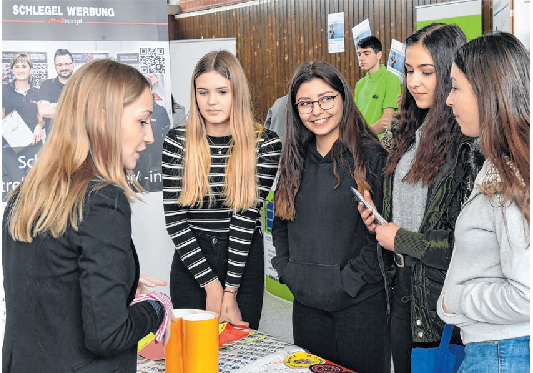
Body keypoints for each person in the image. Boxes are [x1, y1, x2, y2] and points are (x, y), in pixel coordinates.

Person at [2, 59, 173, 373]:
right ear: (103, 119)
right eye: (142, 121)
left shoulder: (28, 191)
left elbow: (50, 286)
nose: (149, 137)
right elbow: (108, 336)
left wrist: (121, 280)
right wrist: (156, 307)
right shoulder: (100, 199)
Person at [357, 23, 484, 373]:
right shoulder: (404, 129)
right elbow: (396, 198)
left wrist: (402, 239)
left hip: (441, 299)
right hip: (399, 288)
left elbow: (466, 247)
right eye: (410, 71)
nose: (414, 82)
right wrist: (374, 209)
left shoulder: (469, 145)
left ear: (451, 72)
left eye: (426, 72)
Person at [272, 61, 389, 373]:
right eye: (305, 103)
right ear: (295, 110)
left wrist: (348, 282)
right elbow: (280, 224)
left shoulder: (372, 157)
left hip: (360, 307)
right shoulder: (293, 160)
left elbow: (382, 234)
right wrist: (289, 271)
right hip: (307, 308)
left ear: (344, 98)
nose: (317, 110)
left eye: (326, 98)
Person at [162, 50, 282, 330]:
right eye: (202, 92)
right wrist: (211, 287)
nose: (211, 101)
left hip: (242, 259)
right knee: (193, 351)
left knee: (238, 349)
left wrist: (229, 291)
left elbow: (245, 218)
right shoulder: (176, 141)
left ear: (236, 93)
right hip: (192, 260)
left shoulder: (264, 143)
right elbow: (175, 220)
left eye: (221, 91)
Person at [438, 32, 530, 373]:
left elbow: (527, 296)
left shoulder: (514, 177)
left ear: (486, 91)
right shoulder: (501, 163)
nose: (448, 100)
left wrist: (456, 299)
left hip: (503, 353)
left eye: (456, 87)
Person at [2, 53, 44, 200]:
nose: (20, 70)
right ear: (12, 69)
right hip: (11, 148)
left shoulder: (38, 92)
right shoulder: (4, 91)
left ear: (30, 69)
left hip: (34, 146)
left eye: (24, 66)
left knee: (34, 187)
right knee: (17, 189)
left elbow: (41, 118)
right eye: (17, 66)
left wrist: (39, 126)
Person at [354, 35, 402, 138]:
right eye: (359, 54)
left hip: (380, 146)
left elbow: (386, 121)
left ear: (379, 55)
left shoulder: (391, 80)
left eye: (366, 53)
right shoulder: (359, 84)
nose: (361, 58)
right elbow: (355, 118)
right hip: (361, 143)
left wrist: (363, 135)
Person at [134, 75, 172, 192]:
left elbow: (166, 129)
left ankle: (155, 186)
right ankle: (142, 185)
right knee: (143, 166)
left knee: (157, 168)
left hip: (158, 147)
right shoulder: (136, 111)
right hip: (143, 149)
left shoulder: (160, 111)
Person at [36, 48, 75, 136]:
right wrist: (75, 109)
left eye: (67, 64)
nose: (64, 68)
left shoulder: (83, 85)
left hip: (78, 142)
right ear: (55, 65)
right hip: (53, 142)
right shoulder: (47, 85)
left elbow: (88, 113)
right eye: (60, 65)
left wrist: (53, 105)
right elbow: (44, 111)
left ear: (73, 64)